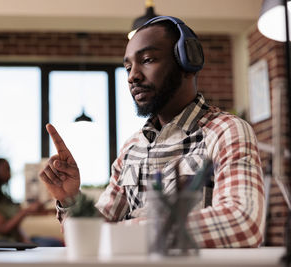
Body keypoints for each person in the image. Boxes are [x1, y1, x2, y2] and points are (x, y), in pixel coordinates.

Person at [39, 16, 265, 248]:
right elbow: (91, 238)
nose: (132, 76)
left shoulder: (226, 132)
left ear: (187, 63)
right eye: (128, 67)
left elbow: (243, 223)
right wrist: (69, 200)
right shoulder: (131, 148)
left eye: (147, 60)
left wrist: (124, 232)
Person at [0, 158, 63, 246]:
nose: (9, 173)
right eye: (6, 169)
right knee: (50, 245)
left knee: (54, 242)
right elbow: (2, 228)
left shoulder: (5, 199)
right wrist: (26, 211)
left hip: (14, 241)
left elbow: (15, 227)